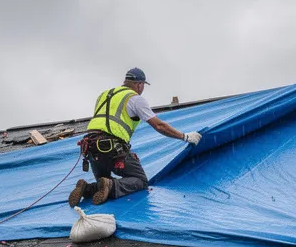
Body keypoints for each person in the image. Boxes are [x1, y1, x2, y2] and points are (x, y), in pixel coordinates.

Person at [68, 68, 203, 206]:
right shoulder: (134, 99)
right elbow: (159, 126)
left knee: (104, 184)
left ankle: (87, 189)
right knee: (140, 180)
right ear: (139, 84)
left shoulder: (103, 95)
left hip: (91, 147)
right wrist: (185, 137)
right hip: (112, 147)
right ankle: (106, 185)